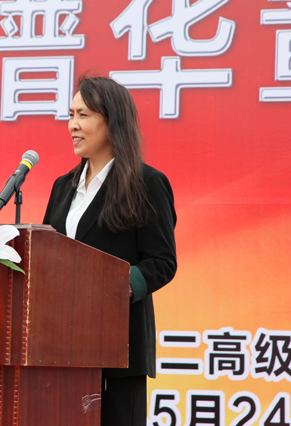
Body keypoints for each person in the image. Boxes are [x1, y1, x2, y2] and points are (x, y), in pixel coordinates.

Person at [43, 76, 177, 426]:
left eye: (83, 115)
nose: (73, 125)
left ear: (112, 120)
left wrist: (110, 287)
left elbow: (162, 262)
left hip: (118, 348)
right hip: (59, 346)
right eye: (71, 115)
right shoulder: (63, 187)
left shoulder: (146, 183)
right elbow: (47, 256)